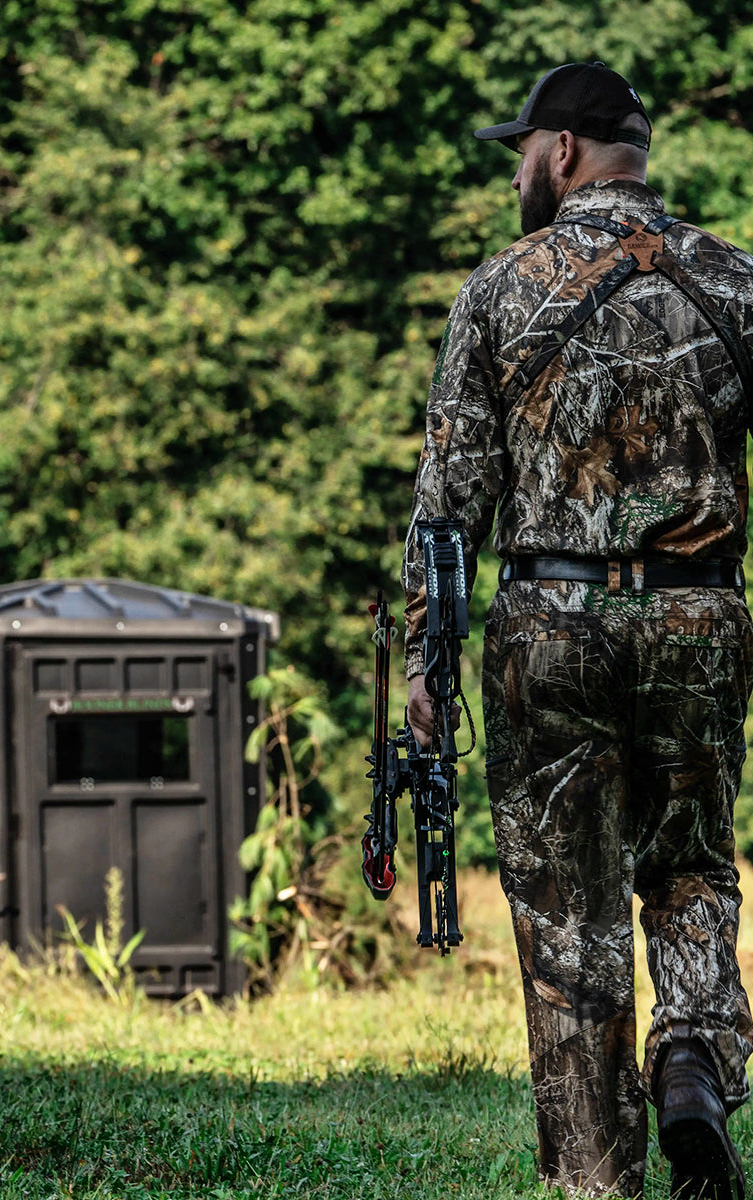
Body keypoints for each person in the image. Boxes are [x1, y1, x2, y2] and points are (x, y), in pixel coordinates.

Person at [401, 62, 753, 1199]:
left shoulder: (501, 288)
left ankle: (597, 1181)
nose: (518, 170)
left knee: (570, 918)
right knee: (692, 862)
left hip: (549, 623)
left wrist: (424, 663)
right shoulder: (736, 282)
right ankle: (694, 1050)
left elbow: (449, 508)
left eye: (523, 150)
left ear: (562, 152)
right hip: (700, 613)